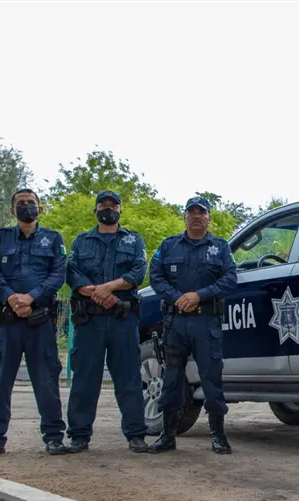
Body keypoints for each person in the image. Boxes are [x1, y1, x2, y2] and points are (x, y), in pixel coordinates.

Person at [0, 188, 68, 458]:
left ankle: (53, 437)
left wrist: (30, 297)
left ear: (40, 209)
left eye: (31, 203)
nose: (27, 206)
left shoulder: (53, 239)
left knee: (46, 380)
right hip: (7, 323)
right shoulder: (0, 237)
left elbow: (58, 275)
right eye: (21, 203)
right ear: (12, 210)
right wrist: (11, 298)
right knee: (0, 380)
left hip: (39, 322)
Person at [147, 196, 238, 454]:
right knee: (172, 379)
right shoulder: (168, 246)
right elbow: (156, 278)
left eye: (202, 212)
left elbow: (230, 279)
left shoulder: (220, 247)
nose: (196, 216)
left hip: (206, 322)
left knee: (211, 379)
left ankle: (218, 435)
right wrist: (178, 298)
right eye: (192, 212)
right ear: (184, 216)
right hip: (176, 322)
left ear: (209, 217)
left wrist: (199, 295)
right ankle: (167, 435)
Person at [65, 190, 149, 454]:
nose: (108, 208)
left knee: (129, 380)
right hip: (89, 321)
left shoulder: (134, 240)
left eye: (113, 205)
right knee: (84, 380)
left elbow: (138, 271)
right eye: (103, 205)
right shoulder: (81, 241)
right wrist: (97, 293)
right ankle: (79, 435)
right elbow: (72, 273)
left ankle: (136, 435)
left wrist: (109, 288)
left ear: (120, 210)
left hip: (122, 320)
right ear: (96, 210)